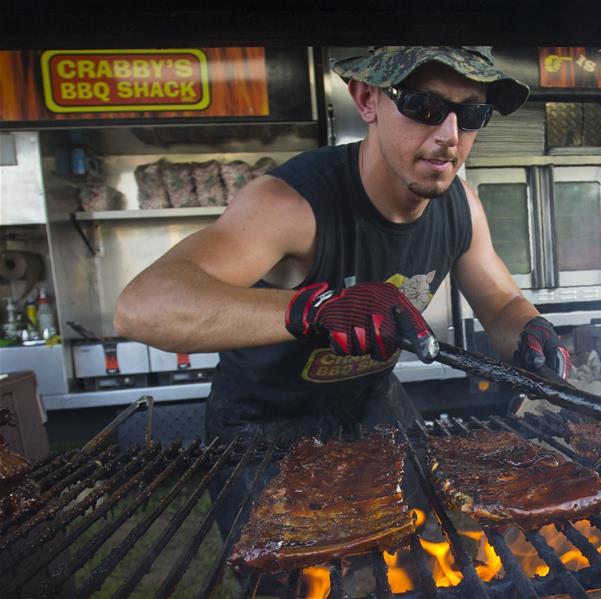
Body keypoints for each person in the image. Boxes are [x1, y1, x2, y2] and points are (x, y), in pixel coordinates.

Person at [114, 47, 571, 552]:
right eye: (424, 106)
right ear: (367, 99)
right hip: (265, 423)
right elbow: (142, 305)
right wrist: (316, 309)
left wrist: (531, 333)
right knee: (297, 574)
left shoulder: (462, 204)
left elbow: (502, 303)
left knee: (426, 552)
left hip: (372, 403)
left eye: (471, 114)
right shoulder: (290, 203)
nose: (448, 136)